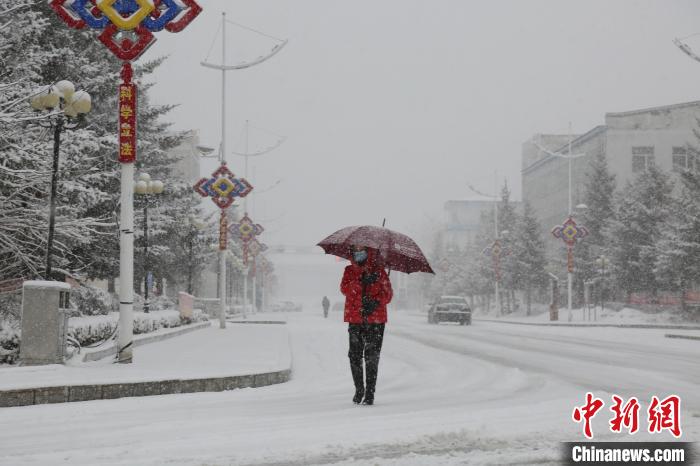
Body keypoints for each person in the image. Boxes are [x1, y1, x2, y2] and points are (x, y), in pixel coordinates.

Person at [340, 245, 393, 405]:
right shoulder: (349, 271)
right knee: (355, 356)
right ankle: (359, 389)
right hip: (355, 319)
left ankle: (370, 392)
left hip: (376, 320)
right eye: (356, 252)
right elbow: (344, 289)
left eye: (362, 252)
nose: (359, 255)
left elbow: (388, 294)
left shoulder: (379, 271)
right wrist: (360, 281)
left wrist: (375, 301)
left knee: (371, 357)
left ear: (368, 253)